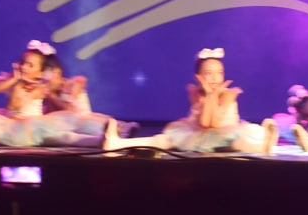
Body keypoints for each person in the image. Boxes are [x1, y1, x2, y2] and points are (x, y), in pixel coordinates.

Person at [104, 48, 277, 153]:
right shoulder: (195, 93)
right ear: (198, 77)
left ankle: (264, 146)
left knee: (239, 142)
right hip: (199, 132)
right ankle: (117, 143)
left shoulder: (228, 94)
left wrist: (214, 94)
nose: (215, 78)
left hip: (226, 133)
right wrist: (209, 94)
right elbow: (205, 123)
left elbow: (216, 124)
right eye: (208, 74)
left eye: (219, 73)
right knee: (163, 140)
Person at [0, 40, 101, 147]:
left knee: (62, 137)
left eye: (30, 65)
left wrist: (19, 86)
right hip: (10, 121)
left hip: (32, 124)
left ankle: (99, 140)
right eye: (23, 63)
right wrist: (13, 80)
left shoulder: (39, 88)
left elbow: (14, 105)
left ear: (40, 72)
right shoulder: (13, 80)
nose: (24, 67)